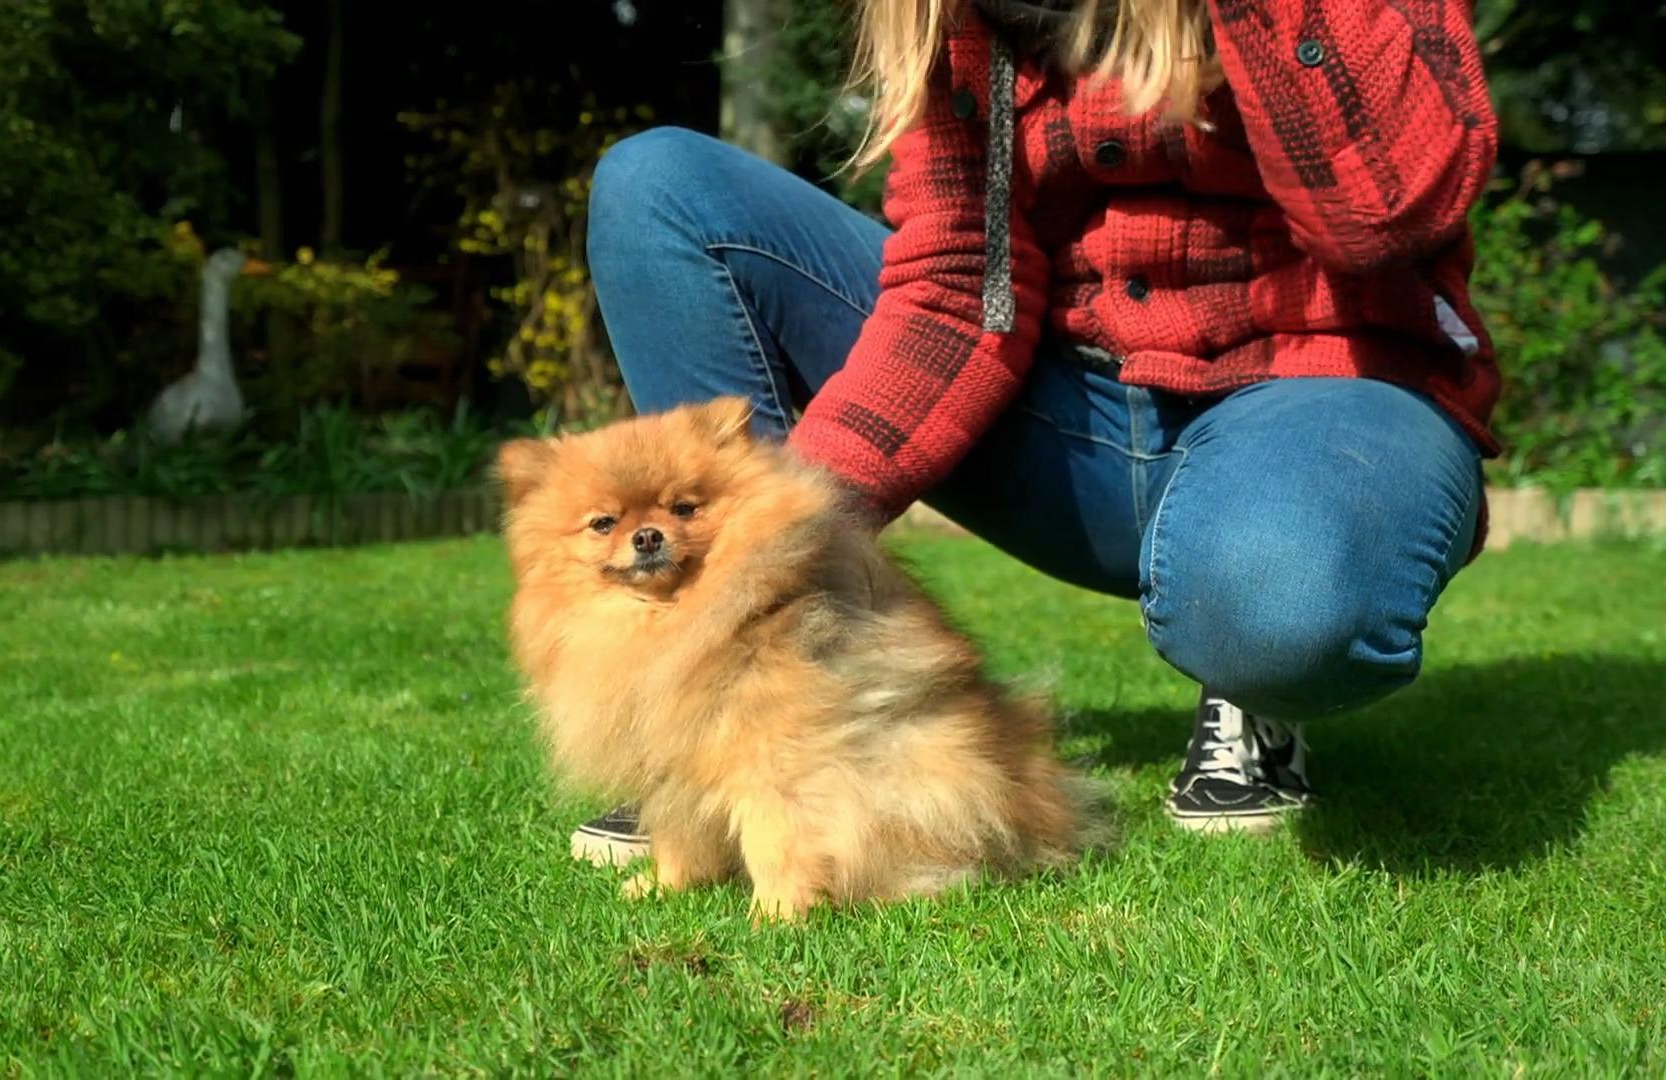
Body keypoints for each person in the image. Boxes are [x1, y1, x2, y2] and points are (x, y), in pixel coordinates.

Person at [570, 0, 1500, 853]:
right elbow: (958, 294)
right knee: (663, 188)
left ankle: (1248, 668)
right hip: (1069, 416)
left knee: (1280, 607)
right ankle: (747, 718)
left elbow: (1390, 212)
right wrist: (769, 547)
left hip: (1327, 395)